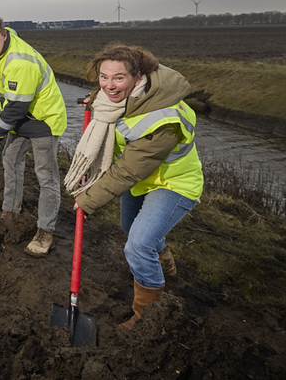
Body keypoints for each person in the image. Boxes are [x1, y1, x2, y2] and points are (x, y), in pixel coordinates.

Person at [66, 44, 204, 331]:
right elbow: (113, 101)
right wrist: (94, 101)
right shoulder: (121, 97)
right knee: (132, 229)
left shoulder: (162, 117)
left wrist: (89, 200)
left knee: (138, 245)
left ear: (137, 76)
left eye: (118, 78)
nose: (109, 85)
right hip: (141, 180)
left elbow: (130, 169)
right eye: (103, 77)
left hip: (173, 182)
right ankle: (164, 258)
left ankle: (147, 315)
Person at [0, 15, 67, 256]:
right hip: (21, 119)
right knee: (10, 159)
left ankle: (45, 231)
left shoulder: (19, 62)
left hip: (43, 119)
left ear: (4, 35)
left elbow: (17, 106)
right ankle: (10, 211)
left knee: (45, 176)